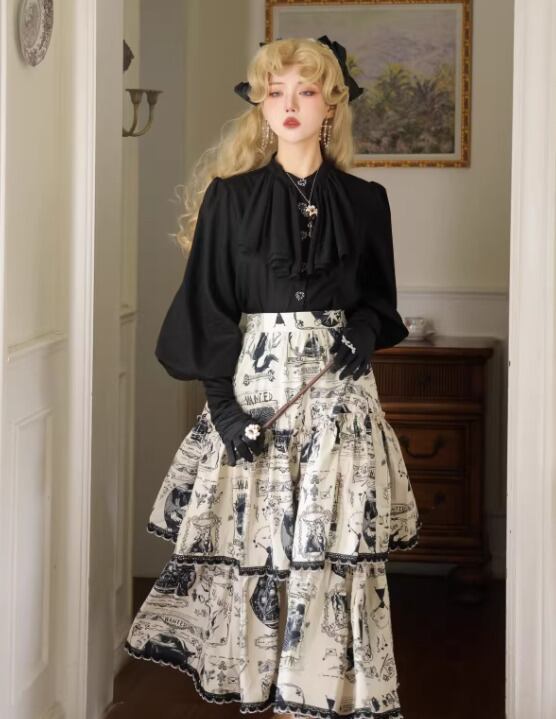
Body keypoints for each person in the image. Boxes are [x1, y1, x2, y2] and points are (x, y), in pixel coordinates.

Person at [124, 35, 422, 719]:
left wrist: (364, 330)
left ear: (331, 105)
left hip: (340, 405)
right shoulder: (230, 199)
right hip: (257, 403)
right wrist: (225, 412)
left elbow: (380, 301)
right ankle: (266, 696)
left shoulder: (366, 200)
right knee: (262, 559)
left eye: (306, 91)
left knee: (333, 554)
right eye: (274, 92)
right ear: (260, 105)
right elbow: (207, 310)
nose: (289, 105)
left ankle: (320, 701)